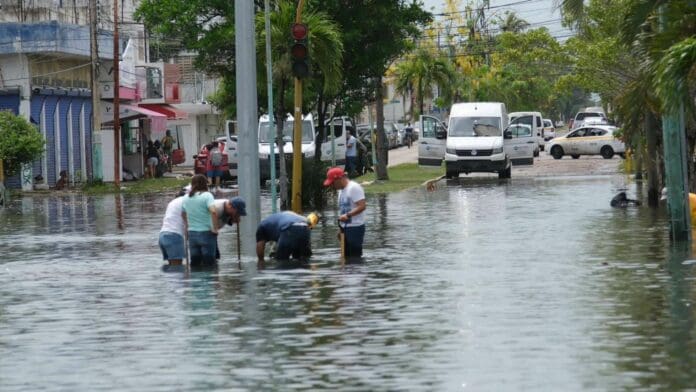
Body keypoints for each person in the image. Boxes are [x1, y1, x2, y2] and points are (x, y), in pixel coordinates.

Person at [323, 167, 366, 258]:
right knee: (346, 257)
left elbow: (362, 206)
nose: (331, 186)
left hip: (355, 228)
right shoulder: (341, 191)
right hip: (345, 228)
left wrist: (348, 215)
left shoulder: (354, 187)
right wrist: (341, 229)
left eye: (332, 183)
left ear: (339, 179)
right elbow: (344, 210)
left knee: (355, 257)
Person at [182, 174, 219, 267]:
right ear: (205, 184)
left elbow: (183, 214)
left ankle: (195, 281)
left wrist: (186, 230)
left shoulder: (186, 197)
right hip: (206, 233)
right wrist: (215, 228)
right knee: (209, 264)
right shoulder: (207, 195)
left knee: (195, 264)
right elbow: (213, 212)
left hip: (192, 234)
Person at [159, 190, 187, 268]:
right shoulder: (185, 201)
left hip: (162, 235)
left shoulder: (171, 203)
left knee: (171, 269)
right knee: (177, 269)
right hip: (174, 236)